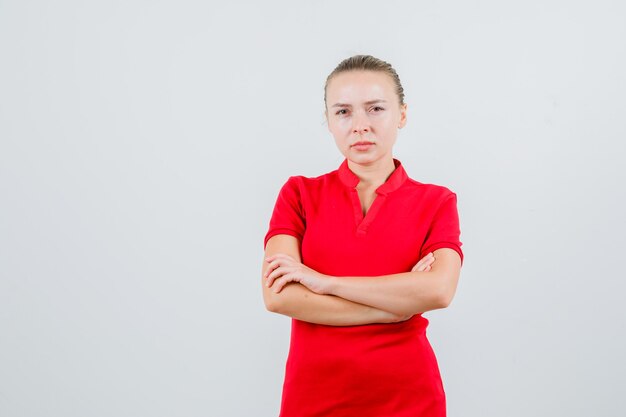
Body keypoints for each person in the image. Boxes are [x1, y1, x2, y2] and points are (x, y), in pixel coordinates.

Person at [261, 54, 464, 417]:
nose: (360, 126)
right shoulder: (299, 194)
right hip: (313, 399)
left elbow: (438, 290)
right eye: (343, 112)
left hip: (409, 398)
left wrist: (324, 283)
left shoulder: (437, 201)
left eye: (375, 109)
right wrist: (391, 310)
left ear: (401, 114)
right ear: (327, 120)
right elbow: (279, 297)